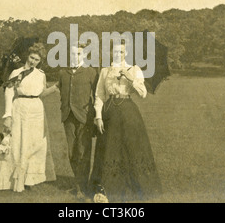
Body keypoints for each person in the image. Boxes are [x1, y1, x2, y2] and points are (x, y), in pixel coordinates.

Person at [0, 43, 56, 192]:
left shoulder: (41, 74)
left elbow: (41, 93)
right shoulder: (17, 73)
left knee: (34, 144)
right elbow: (8, 93)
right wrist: (7, 115)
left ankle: (29, 179)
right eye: (32, 57)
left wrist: (56, 88)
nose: (33, 61)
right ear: (28, 55)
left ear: (40, 61)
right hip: (20, 107)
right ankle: (8, 180)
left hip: (36, 110)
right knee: (15, 142)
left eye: (37, 60)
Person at [90, 41, 162, 202]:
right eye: (115, 51)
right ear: (111, 52)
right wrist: (98, 116)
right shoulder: (105, 71)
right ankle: (107, 189)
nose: (118, 54)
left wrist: (130, 78)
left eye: (121, 51)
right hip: (109, 112)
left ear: (126, 52)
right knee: (110, 148)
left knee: (131, 148)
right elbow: (99, 95)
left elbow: (143, 93)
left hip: (129, 112)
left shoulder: (134, 69)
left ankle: (134, 186)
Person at [42, 43, 98, 200]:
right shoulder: (63, 73)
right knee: (72, 152)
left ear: (84, 56)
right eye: (73, 54)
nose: (75, 57)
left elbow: (98, 95)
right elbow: (57, 90)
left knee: (83, 151)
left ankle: (83, 186)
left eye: (79, 54)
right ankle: (78, 184)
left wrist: (95, 116)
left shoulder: (91, 72)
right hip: (67, 117)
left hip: (85, 118)